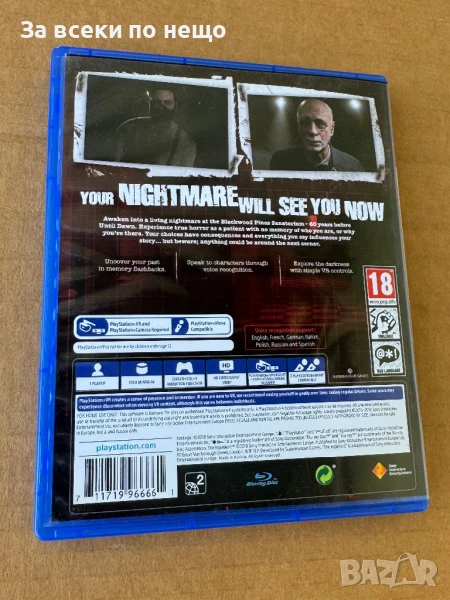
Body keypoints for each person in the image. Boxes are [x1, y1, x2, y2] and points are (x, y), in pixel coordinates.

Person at [270, 98, 363, 171]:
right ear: (299, 127)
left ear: (332, 129)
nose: (312, 131)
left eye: (320, 124)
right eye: (305, 123)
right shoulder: (280, 161)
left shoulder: (353, 165)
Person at [114, 88, 196, 167]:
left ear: (175, 106)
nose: (161, 107)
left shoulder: (186, 144)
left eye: (167, 102)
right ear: (150, 103)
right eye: (157, 102)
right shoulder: (128, 128)